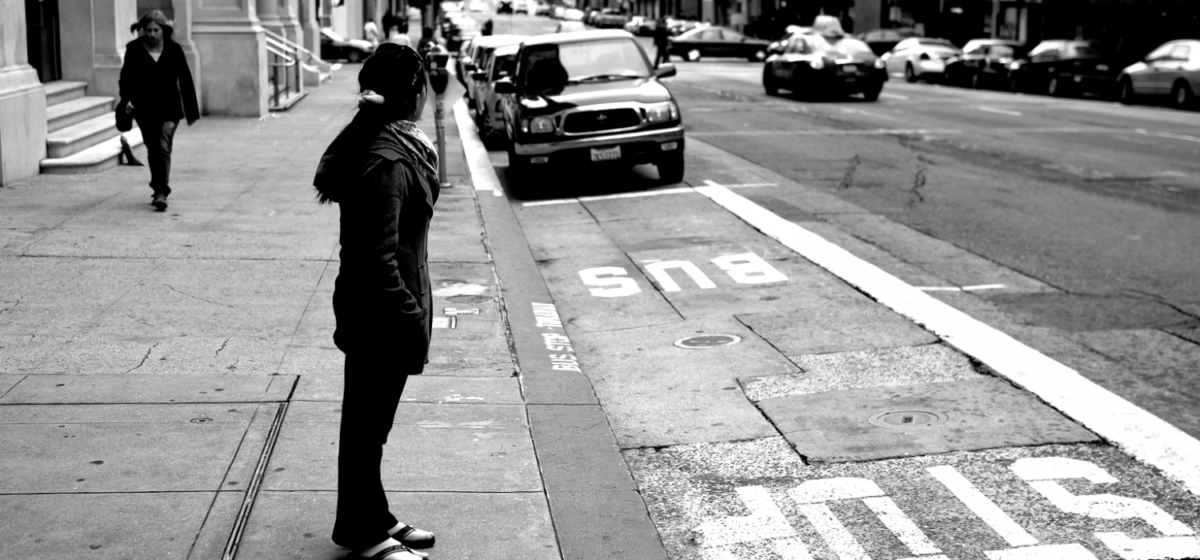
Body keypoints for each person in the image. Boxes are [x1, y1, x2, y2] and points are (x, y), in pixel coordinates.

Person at [312, 43, 439, 560]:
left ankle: (374, 515)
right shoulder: (386, 159)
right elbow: (375, 256)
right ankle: (361, 532)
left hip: (380, 311)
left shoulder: (395, 144)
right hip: (380, 314)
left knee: (372, 427)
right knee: (365, 428)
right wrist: (410, 314)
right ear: (413, 94)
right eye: (425, 84)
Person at [118, 11, 199, 212]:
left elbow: (186, 81)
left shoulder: (174, 50)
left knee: (162, 145)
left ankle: (161, 192)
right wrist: (126, 100)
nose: (152, 34)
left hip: (170, 107)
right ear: (143, 31)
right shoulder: (134, 49)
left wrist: (191, 111)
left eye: (156, 30)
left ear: (164, 30)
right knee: (154, 148)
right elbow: (126, 78)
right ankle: (158, 187)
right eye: (148, 30)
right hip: (144, 108)